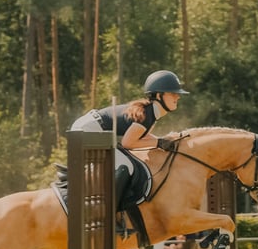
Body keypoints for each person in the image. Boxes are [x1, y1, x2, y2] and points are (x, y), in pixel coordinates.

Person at [70, 70, 190, 208]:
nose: (178, 97)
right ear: (159, 95)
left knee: (126, 161)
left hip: (93, 129)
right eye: (173, 93)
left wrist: (161, 140)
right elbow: (128, 143)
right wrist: (159, 142)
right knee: (126, 165)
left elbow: (142, 137)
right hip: (87, 130)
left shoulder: (150, 113)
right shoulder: (146, 114)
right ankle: (108, 209)